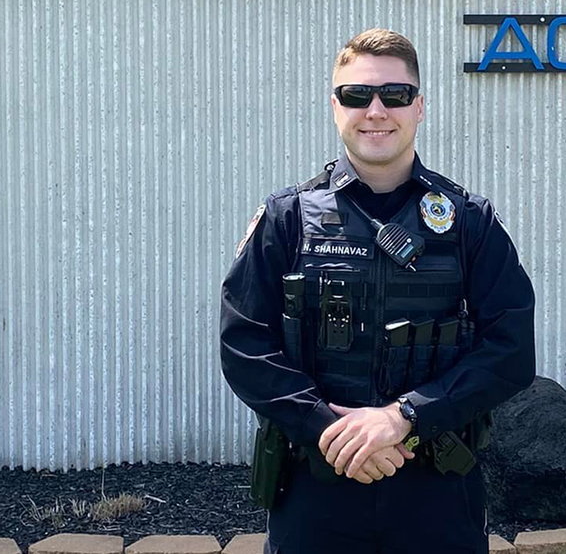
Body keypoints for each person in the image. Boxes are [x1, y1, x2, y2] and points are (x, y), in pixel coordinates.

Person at [219, 28, 536, 554]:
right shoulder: (287, 219)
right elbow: (244, 345)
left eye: (395, 94)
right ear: (335, 105)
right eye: (356, 95)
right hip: (316, 484)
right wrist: (329, 430)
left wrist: (403, 418)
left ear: (419, 107)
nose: (376, 110)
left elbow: (510, 351)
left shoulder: (469, 222)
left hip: (435, 484)